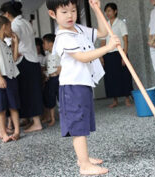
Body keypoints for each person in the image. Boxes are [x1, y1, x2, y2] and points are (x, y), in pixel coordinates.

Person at [46, 0, 120, 175]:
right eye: (64, 12)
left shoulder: (78, 29)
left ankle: (83, 157)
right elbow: (82, 57)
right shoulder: (63, 37)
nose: (70, 15)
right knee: (78, 126)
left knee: (83, 122)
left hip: (83, 83)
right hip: (72, 87)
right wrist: (108, 48)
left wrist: (96, 9)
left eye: (73, 10)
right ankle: (85, 166)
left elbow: (102, 32)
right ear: (52, 14)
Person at [0, 1, 43, 132]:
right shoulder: (25, 22)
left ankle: (37, 123)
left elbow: (15, 40)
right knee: (33, 90)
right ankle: (33, 120)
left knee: (28, 92)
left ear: (7, 14)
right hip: (33, 60)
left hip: (24, 60)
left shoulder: (15, 24)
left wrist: (13, 52)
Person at [0, 15, 21, 142]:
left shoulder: (5, 44)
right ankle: (4, 134)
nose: (11, 29)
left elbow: (14, 59)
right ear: (4, 26)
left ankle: (17, 131)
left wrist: (15, 43)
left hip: (11, 77)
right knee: (0, 108)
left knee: (13, 105)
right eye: (10, 26)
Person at [100, 2, 133, 108]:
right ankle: (115, 100)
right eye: (106, 11)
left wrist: (124, 54)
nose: (107, 13)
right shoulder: (105, 25)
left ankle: (127, 99)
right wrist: (101, 56)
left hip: (120, 53)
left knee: (124, 76)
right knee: (111, 77)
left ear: (115, 11)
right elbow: (103, 42)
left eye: (109, 10)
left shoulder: (121, 23)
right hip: (108, 55)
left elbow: (125, 40)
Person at [42, 33, 61, 127]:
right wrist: (47, 75)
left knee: (60, 98)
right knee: (51, 98)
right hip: (50, 79)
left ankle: (64, 117)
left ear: (51, 43)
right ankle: (52, 118)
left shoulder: (57, 53)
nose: (43, 45)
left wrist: (55, 74)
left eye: (44, 43)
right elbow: (46, 68)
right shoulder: (47, 55)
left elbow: (60, 67)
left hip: (57, 78)